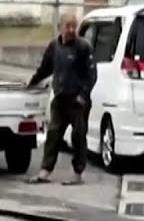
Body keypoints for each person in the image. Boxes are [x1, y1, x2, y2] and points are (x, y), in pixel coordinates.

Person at [26, 13, 97, 185]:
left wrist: (83, 96)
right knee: (53, 134)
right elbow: (45, 68)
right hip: (60, 98)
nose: (72, 30)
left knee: (78, 135)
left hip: (77, 100)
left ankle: (78, 172)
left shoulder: (83, 47)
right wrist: (31, 83)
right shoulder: (54, 46)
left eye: (74, 26)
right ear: (60, 27)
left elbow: (91, 75)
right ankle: (45, 170)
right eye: (68, 26)